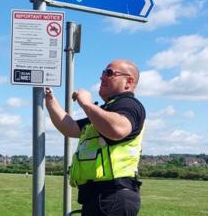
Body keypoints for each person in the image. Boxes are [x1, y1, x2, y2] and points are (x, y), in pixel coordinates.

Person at [45, 59, 146, 216]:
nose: (102, 77)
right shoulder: (106, 111)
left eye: (109, 73)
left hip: (114, 195)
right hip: (100, 197)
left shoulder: (129, 104)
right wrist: (49, 98)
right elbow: (70, 127)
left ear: (129, 81)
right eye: (103, 73)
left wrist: (86, 103)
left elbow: (118, 129)